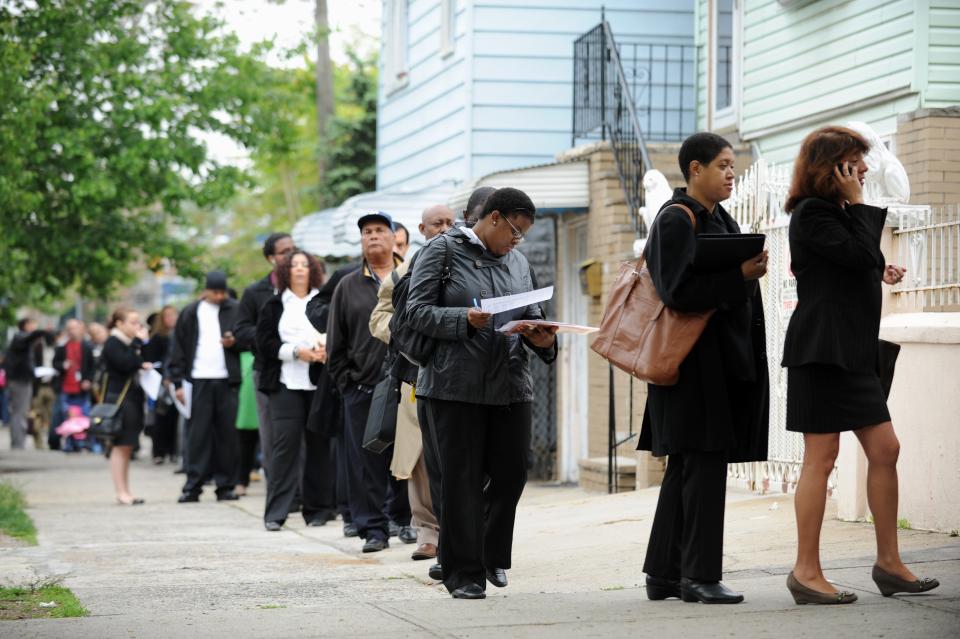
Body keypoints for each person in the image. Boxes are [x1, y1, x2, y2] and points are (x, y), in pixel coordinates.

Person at [781, 126, 939, 604]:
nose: (866, 170)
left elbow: (854, 261)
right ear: (835, 168)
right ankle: (806, 571)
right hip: (822, 351)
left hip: (851, 351)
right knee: (822, 456)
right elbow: (854, 252)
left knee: (885, 448)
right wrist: (862, 226)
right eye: (857, 162)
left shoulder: (838, 214)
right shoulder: (811, 213)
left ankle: (889, 563)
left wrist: (878, 269)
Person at [407, 187, 558, 600]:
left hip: (510, 382)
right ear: (493, 218)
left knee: (512, 474)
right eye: (515, 230)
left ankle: (487, 552)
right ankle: (464, 572)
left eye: (522, 234)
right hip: (454, 385)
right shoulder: (441, 252)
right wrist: (464, 319)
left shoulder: (518, 261)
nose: (517, 241)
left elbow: (532, 313)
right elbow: (415, 313)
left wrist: (543, 339)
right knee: (461, 482)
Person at [637, 132, 769, 605]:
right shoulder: (676, 220)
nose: (732, 173)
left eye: (734, 166)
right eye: (724, 165)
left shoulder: (720, 217)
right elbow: (677, 292)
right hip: (690, 368)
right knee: (704, 466)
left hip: (713, 364)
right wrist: (739, 276)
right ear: (695, 169)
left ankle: (665, 575)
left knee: (687, 469)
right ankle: (699, 576)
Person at [369, 204, 456, 563]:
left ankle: (460, 532)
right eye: (438, 223)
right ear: (423, 228)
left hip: (461, 377)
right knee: (420, 457)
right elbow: (379, 317)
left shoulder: (470, 262)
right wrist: (408, 337)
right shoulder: (405, 270)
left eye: (451, 222)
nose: (446, 228)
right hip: (417, 377)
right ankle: (427, 532)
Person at [326, 211, 412, 553]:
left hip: (407, 385)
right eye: (366, 232)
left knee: (407, 458)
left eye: (379, 230)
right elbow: (336, 342)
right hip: (362, 388)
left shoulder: (412, 275)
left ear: (395, 238)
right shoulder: (347, 284)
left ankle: (404, 521)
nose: (373, 236)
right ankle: (373, 529)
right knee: (365, 464)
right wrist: (347, 382)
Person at [256, 249, 337, 530]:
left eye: (305, 265)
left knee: (318, 445)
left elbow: (340, 332)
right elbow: (264, 343)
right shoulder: (274, 304)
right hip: (285, 382)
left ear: (313, 270)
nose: (300, 269)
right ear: (285, 271)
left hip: (318, 382)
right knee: (285, 445)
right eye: (295, 265)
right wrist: (295, 352)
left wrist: (326, 350)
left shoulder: (325, 301)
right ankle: (276, 512)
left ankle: (318, 510)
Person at [168, 271, 241, 503]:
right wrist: (178, 381)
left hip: (226, 379)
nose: (220, 297)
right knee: (197, 435)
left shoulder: (235, 309)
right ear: (206, 291)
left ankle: (225, 485)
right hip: (198, 379)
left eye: (223, 292)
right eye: (215, 292)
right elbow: (178, 348)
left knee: (227, 435)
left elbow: (248, 337)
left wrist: (234, 342)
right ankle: (193, 485)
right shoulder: (191, 312)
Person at [233, 232, 295, 484]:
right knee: (272, 433)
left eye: (294, 249)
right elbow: (241, 330)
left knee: (303, 433)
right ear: (271, 258)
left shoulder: (312, 288)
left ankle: (305, 491)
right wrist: (270, 337)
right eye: (284, 251)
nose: (291, 255)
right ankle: (278, 487)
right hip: (269, 370)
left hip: (304, 369)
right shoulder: (255, 292)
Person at [100, 307, 153, 505]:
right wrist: (138, 343)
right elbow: (125, 363)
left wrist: (141, 345)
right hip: (120, 399)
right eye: (132, 322)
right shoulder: (113, 342)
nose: (137, 327)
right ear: (119, 323)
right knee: (120, 445)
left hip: (133, 397)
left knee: (128, 445)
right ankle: (121, 491)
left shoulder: (129, 343)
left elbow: (141, 359)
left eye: (138, 322)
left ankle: (125, 490)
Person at [3, 318, 53, 449]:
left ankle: (18, 442)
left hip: (21, 379)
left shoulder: (20, 340)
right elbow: (31, 336)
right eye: (33, 324)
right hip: (20, 380)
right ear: (26, 326)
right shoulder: (20, 338)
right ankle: (18, 444)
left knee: (19, 411)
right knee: (20, 412)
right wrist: (42, 331)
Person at [51, 319, 95, 452]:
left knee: (84, 416)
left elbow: (93, 366)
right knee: (68, 416)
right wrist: (62, 365)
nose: (72, 331)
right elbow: (55, 364)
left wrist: (88, 380)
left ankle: (84, 443)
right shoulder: (62, 347)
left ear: (80, 329)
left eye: (74, 328)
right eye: (69, 328)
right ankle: (70, 443)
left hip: (81, 388)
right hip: (66, 387)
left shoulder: (87, 347)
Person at [142, 306, 179, 463]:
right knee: (160, 417)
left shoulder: (179, 335)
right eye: (167, 316)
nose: (171, 319)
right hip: (159, 383)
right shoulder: (157, 338)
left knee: (174, 418)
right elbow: (152, 360)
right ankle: (159, 451)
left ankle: (172, 451)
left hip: (174, 380)